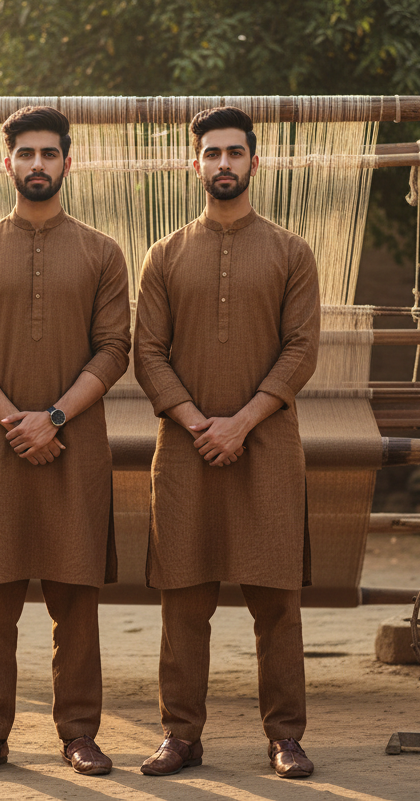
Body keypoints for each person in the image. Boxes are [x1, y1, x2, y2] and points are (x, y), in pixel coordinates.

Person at [0, 106, 131, 776]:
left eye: (50, 154)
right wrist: (16, 423)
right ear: (9, 163)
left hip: (75, 446)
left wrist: (50, 419)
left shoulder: (103, 252)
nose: (38, 165)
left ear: (67, 164)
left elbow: (115, 351)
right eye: (26, 154)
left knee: (75, 596)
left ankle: (79, 732)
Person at [133, 106, 321, 779]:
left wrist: (241, 422)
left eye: (234, 153)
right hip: (184, 451)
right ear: (195, 164)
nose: (223, 164)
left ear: (254, 162)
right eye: (211, 153)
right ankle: (180, 736)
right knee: (183, 595)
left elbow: (302, 350)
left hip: (267, 447)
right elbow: (147, 352)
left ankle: (285, 738)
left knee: (276, 600)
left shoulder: (291, 252)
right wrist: (197, 423)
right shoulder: (165, 254)